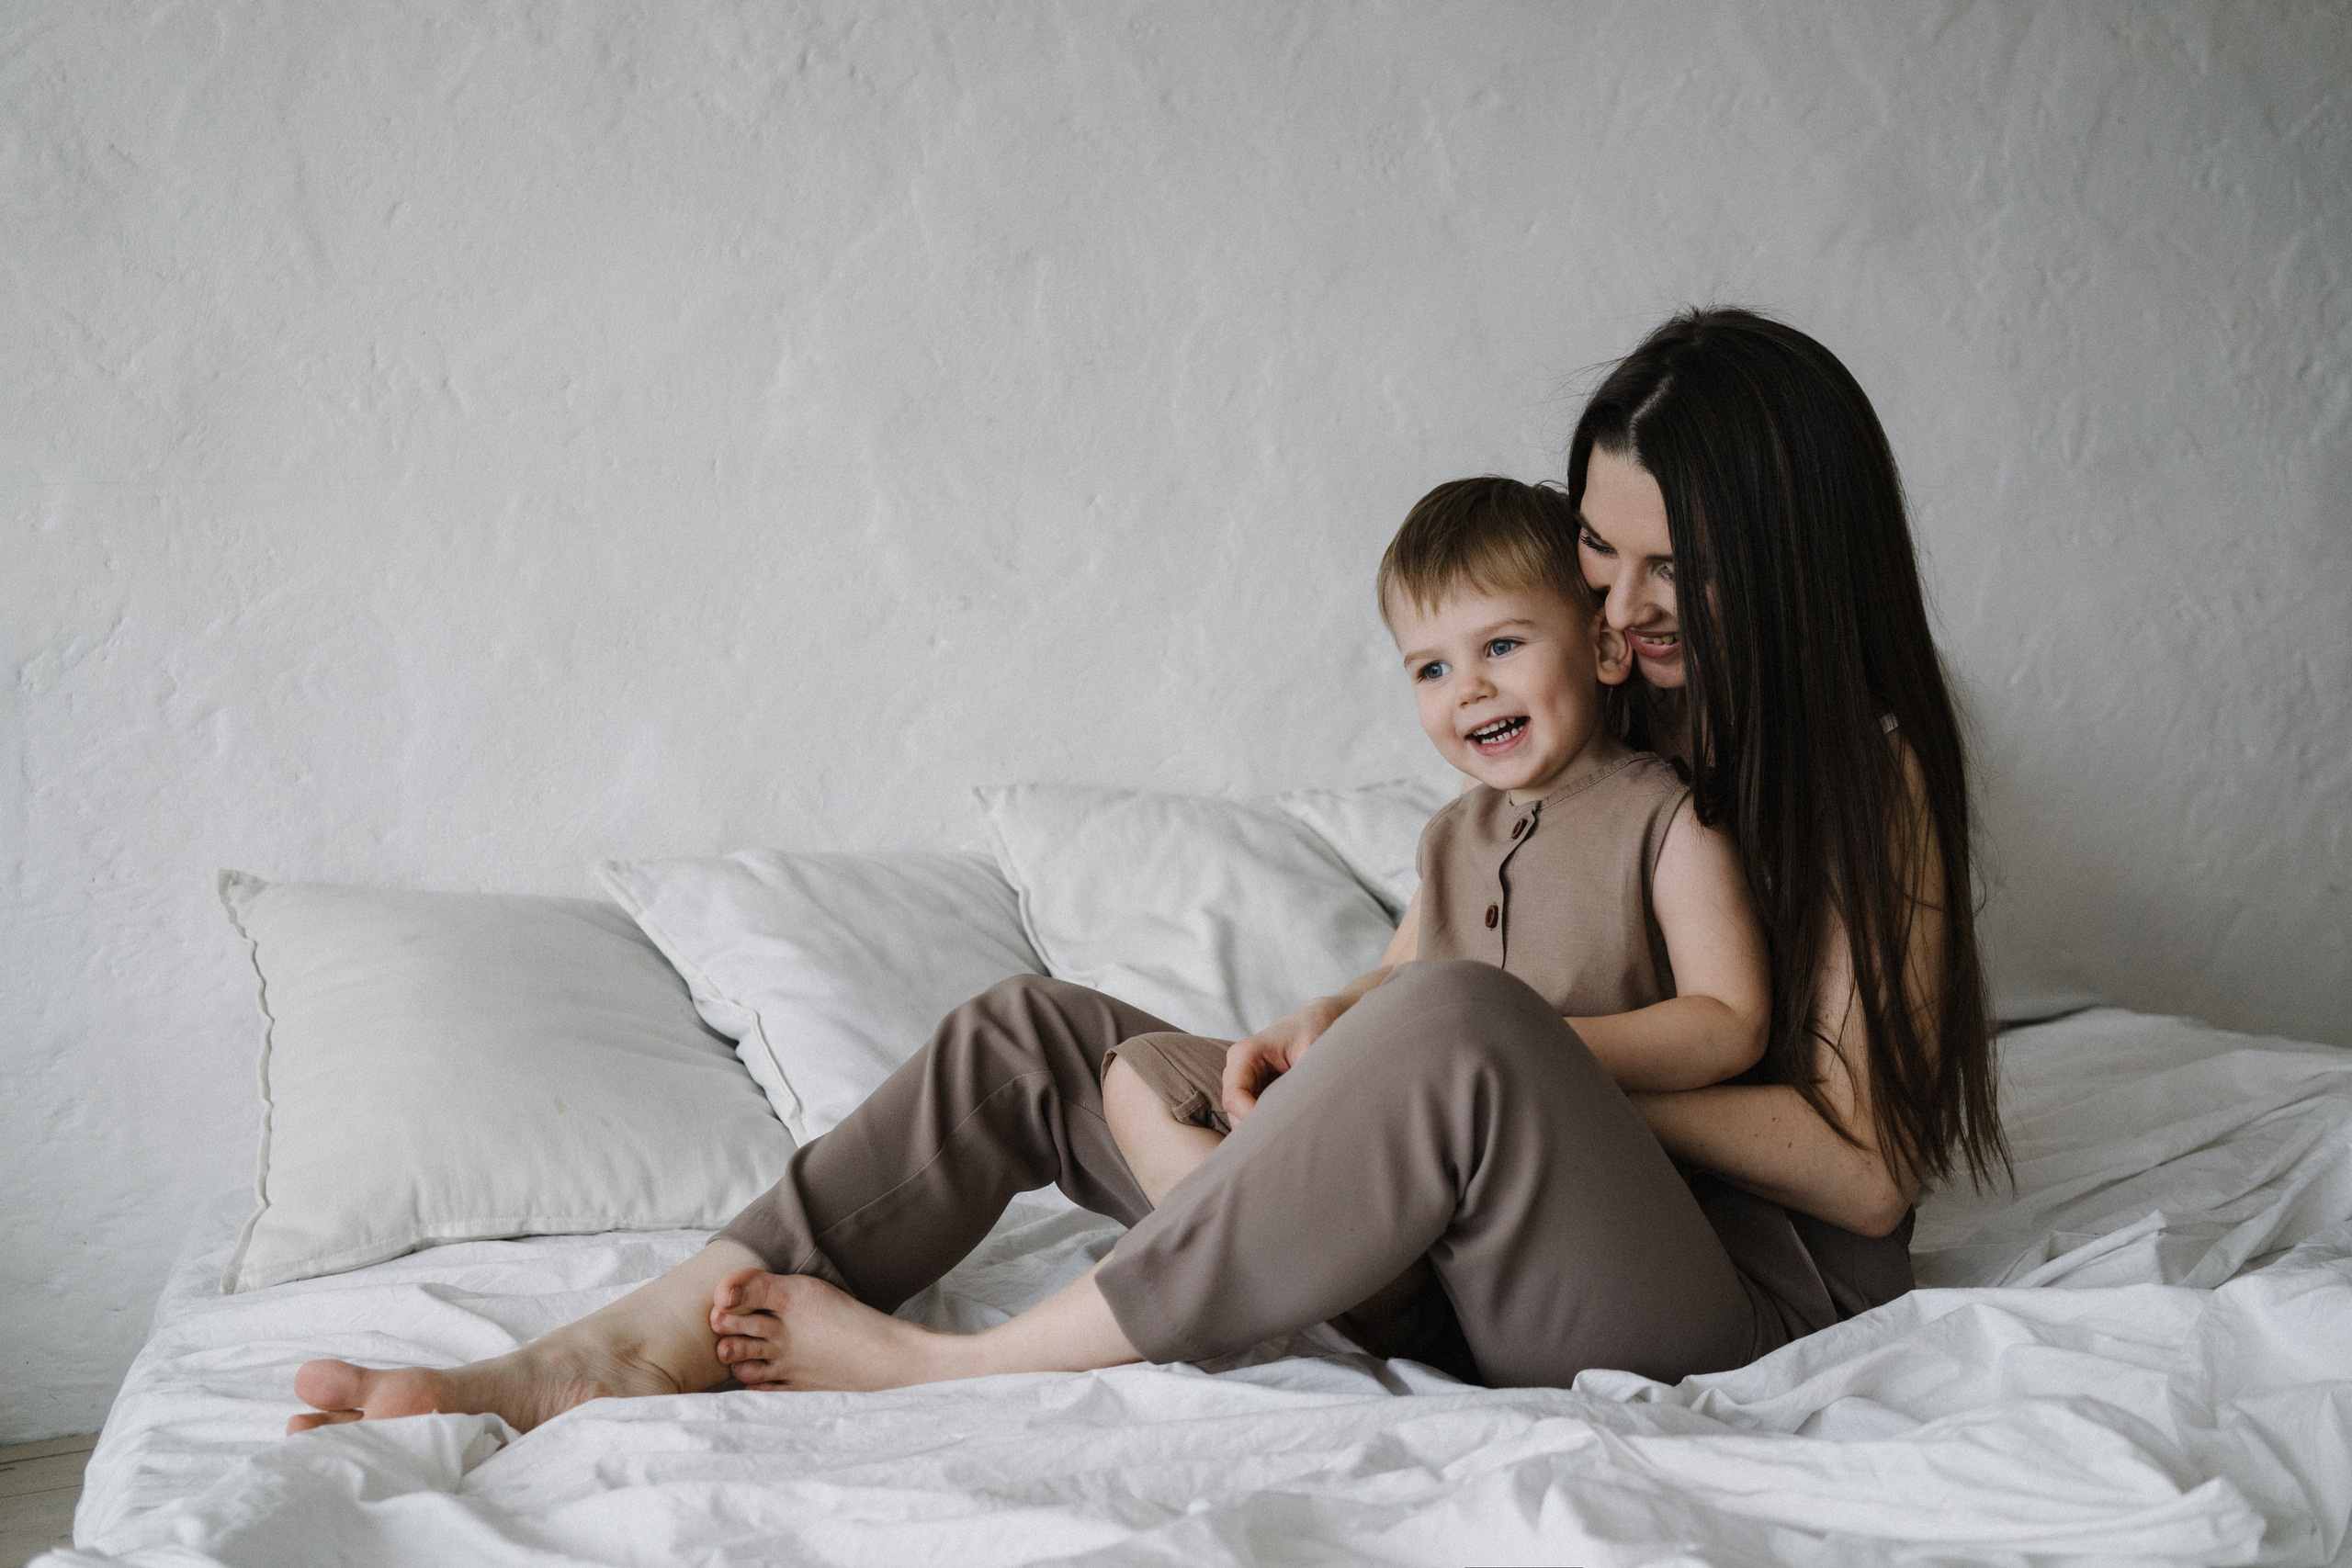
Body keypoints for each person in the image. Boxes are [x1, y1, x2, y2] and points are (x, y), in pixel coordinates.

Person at [288, 307, 2005, 1432]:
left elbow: (1861, 1176)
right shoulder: (1568, 754)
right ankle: (622, 1345)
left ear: (1785, 560)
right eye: (1595, 560)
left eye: (1672, 574)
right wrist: (1353, 1053)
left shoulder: (1868, 776)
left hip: (1705, 1298)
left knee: (1461, 1030)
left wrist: (1490, 1061)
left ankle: (962, 1363)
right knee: (1043, 1039)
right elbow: (1436, 986)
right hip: (1486, 1219)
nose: (1619, 619)